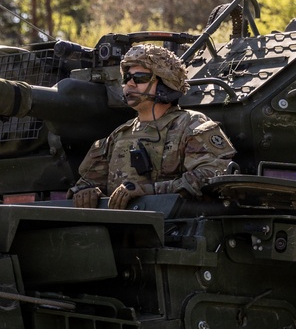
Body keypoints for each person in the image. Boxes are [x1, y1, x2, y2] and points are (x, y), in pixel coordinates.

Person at [68, 44, 236, 209]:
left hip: (172, 229)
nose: (130, 84)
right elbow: (87, 182)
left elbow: (213, 175)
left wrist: (149, 191)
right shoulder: (119, 135)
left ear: (165, 83)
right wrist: (86, 191)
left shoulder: (191, 124)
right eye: (126, 78)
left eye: (140, 78)